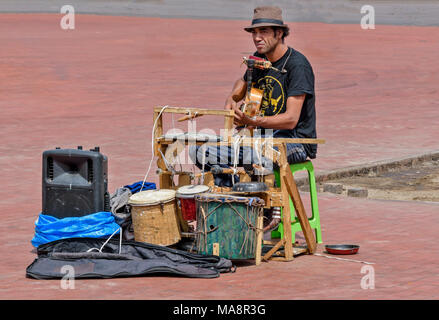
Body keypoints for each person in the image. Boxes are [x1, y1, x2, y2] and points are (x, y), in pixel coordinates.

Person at [190, 6, 317, 232]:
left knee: (254, 154)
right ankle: (230, 212)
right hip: (259, 139)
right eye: (254, 32)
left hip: (294, 141)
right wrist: (232, 97)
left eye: (264, 32)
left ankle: (266, 211)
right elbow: (242, 82)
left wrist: (254, 123)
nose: (257, 38)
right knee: (201, 151)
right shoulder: (258, 59)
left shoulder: (297, 65)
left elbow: (290, 119)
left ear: (280, 33)